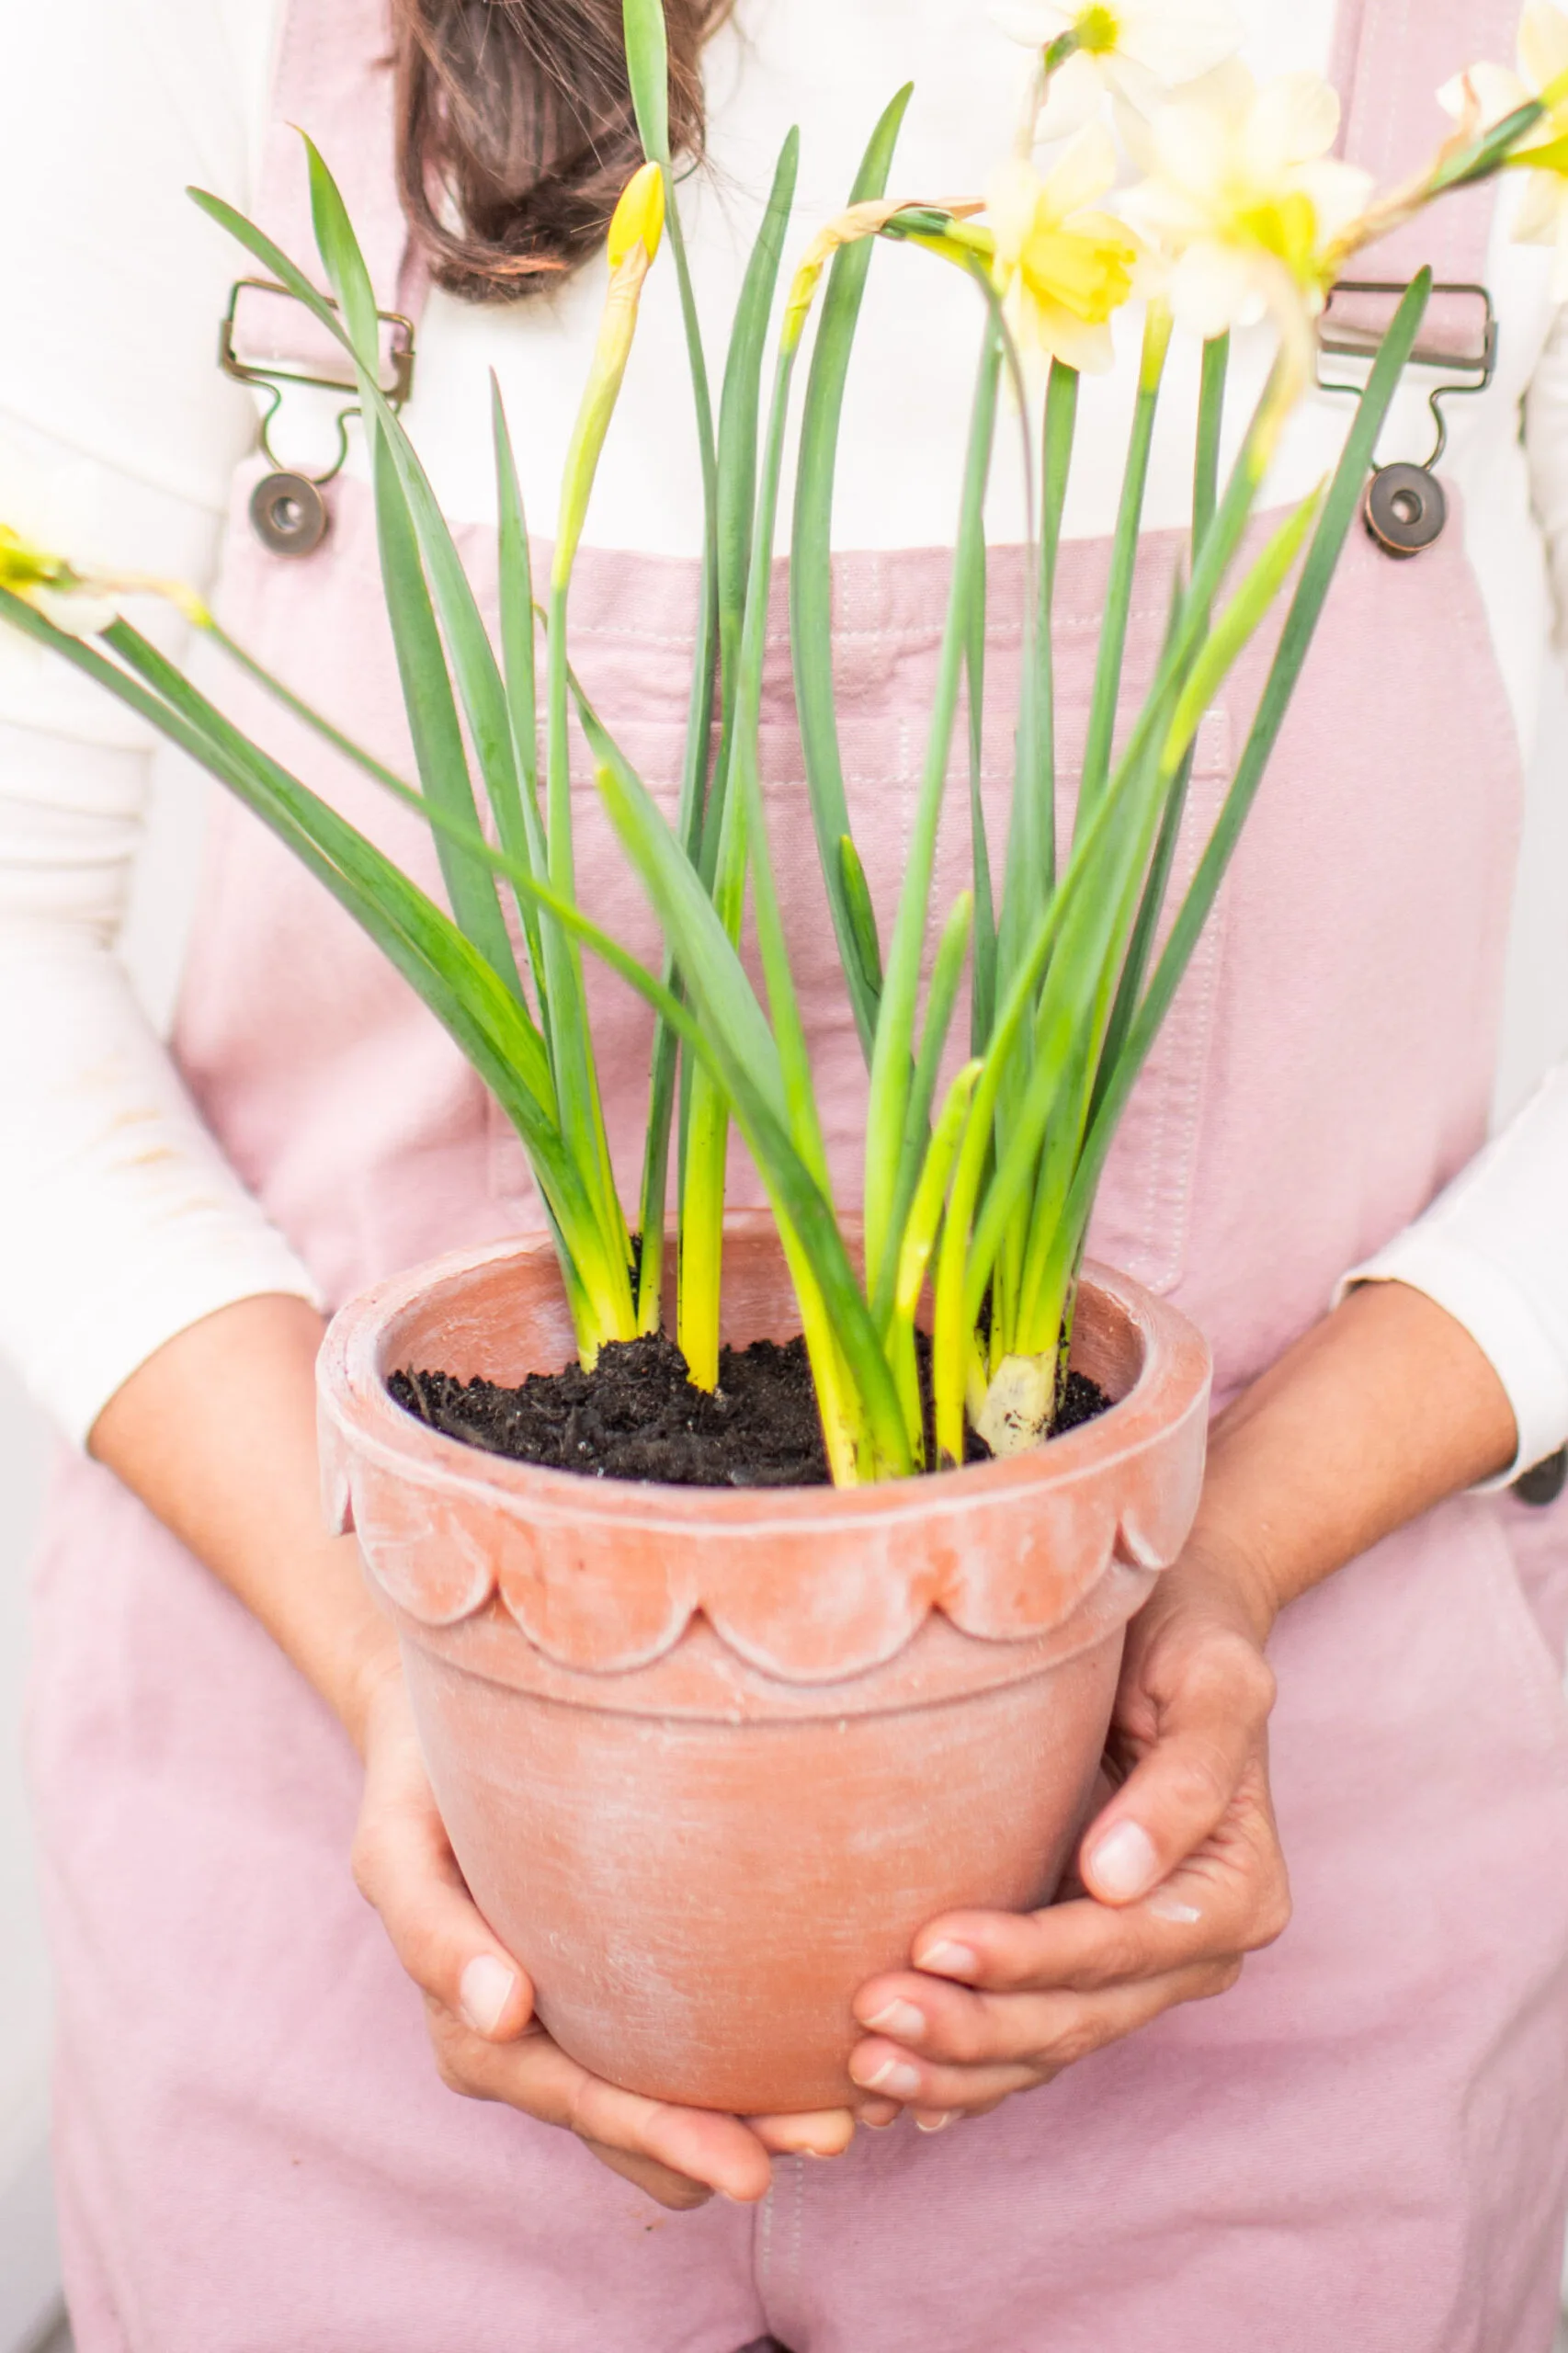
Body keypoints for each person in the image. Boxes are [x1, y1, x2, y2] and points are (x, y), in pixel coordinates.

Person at [6, 0, 1568, 2343]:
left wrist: (1224, 1563)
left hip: (1262, 1894)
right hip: (350, 1855)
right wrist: (397, 1672)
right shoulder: (222, 44)